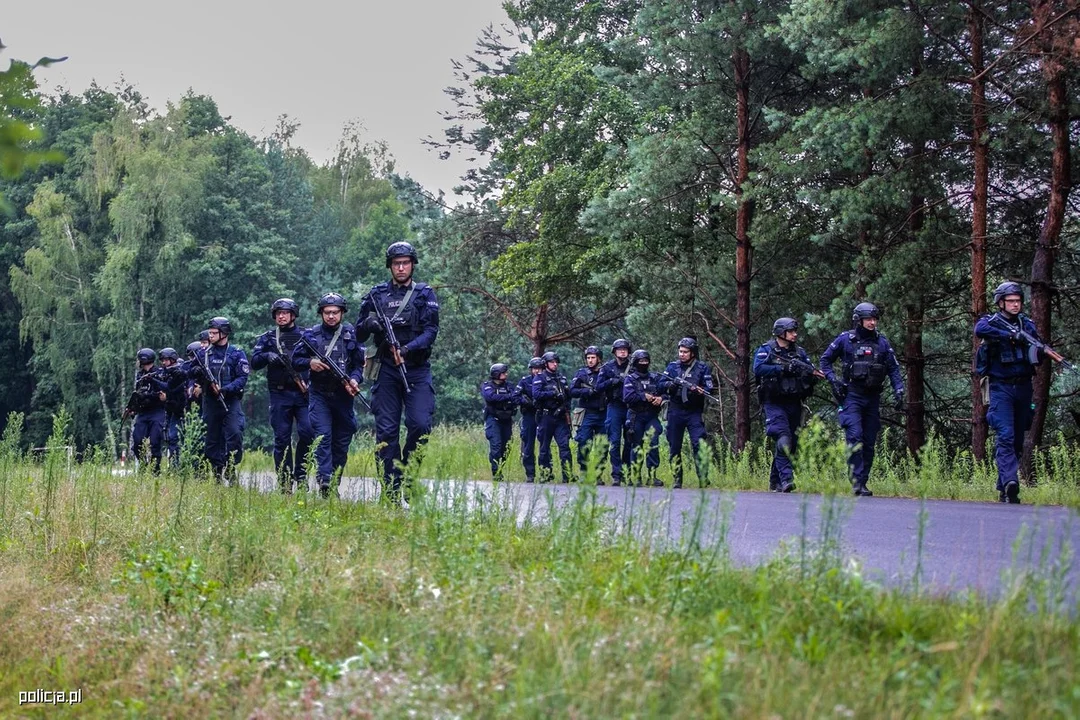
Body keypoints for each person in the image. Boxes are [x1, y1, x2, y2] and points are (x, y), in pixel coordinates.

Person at [355, 242, 440, 501]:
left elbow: (431, 332)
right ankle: (390, 487)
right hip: (386, 370)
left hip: (416, 368)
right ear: (390, 266)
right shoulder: (377, 294)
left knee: (420, 425)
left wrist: (406, 349)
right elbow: (358, 333)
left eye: (405, 263)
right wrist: (370, 323)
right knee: (387, 432)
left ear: (412, 264)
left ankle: (409, 473)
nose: (401, 267)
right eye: (396, 263)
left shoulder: (424, 293)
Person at [819, 302, 904, 496]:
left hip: (872, 398)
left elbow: (893, 368)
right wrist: (833, 381)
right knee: (854, 436)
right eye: (869, 319)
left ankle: (863, 481)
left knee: (869, 440)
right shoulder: (845, 340)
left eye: (874, 319)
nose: (872, 322)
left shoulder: (882, 343)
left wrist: (899, 389)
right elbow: (825, 361)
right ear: (859, 320)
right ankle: (856, 480)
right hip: (852, 396)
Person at [975, 282, 1046, 504]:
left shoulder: (1028, 325)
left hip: (1024, 386)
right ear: (1001, 303)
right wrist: (1011, 336)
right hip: (1000, 387)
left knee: (1016, 439)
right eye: (1011, 301)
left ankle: (1003, 485)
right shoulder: (991, 322)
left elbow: (1038, 347)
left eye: (1018, 301)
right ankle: (1010, 482)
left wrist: (1040, 349)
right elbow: (979, 330)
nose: (1015, 305)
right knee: (1004, 435)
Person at [292, 293, 365, 498]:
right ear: (321, 313)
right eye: (327, 312)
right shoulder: (311, 335)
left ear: (342, 313)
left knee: (342, 440)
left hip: (344, 396)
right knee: (323, 436)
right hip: (319, 394)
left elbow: (359, 364)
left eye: (335, 312)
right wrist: (310, 363)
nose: (331, 316)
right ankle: (324, 480)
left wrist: (355, 380)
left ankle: (334, 480)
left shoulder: (351, 334)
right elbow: (296, 359)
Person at [251, 298, 313, 493]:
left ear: (293, 315)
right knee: (281, 438)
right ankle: (285, 481)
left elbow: (318, 357)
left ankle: (301, 475)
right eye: (278, 313)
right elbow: (254, 362)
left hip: (303, 393)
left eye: (285, 312)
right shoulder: (268, 338)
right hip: (279, 394)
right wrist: (267, 356)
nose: (281, 316)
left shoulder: (306, 335)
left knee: (308, 432)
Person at [753, 319, 818, 493]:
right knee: (783, 438)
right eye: (791, 331)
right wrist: (782, 369)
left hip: (794, 402)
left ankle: (775, 482)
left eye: (795, 331)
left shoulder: (800, 352)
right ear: (781, 332)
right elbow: (758, 369)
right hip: (773, 402)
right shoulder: (766, 350)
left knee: (792, 443)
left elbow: (810, 369)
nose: (795, 334)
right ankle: (787, 479)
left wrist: (810, 377)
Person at [186, 318, 249, 482]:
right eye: (210, 332)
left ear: (224, 333)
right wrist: (198, 371)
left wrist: (225, 389)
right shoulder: (203, 354)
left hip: (230, 400)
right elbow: (189, 372)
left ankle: (230, 465)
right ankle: (216, 472)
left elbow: (242, 378)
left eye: (214, 333)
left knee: (235, 433)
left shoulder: (236, 353)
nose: (210, 336)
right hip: (211, 402)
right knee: (211, 439)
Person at [660, 337, 716, 488]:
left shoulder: (702, 368)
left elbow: (709, 388)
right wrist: (671, 385)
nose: (682, 354)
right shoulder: (672, 367)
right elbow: (660, 384)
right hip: (675, 410)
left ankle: (703, 478)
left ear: (692, 353)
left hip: (694, 412)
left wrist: (699, 390)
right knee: (674, 446)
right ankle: (677, 479)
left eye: (685, 352)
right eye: (680, 351)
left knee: (699, 443)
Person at [623, 349, 665, 487]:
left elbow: (665, 393)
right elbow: (627, 397)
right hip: (636, 416)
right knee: (636, 446)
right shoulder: (630, 378)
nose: (643, 363)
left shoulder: (655, 378)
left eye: (646, 361)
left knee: (653, 444)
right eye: (641, 361)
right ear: (635, 362)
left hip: (652, 415)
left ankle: (652, 476)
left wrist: (660, 399)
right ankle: (636, 477)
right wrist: (643, 396)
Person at [532, 351, 574, 483]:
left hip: (560, 417)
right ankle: (545, 474)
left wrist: (564, 407)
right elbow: (536, 394)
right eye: (552, 362)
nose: (555, 364)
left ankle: (567, 475)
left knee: (565, 446)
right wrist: (553, 394)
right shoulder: (540, 378)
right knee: (544, 447)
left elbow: (568, 397)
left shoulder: (561, 378)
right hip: (546, 416)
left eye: (556, 362)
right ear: (546, 363)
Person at [570, 346, 608, 483]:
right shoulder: (582, 373)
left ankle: (597, 475)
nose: (590, 360)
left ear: (599, 358)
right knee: (584, 442)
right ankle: (584, 472)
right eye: (588, 358)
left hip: (603, 413)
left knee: (602, 446)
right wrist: (586, 392)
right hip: (586, 412)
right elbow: (572, 391)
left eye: (593, 358)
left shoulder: (606, 372)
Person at [597, 339, 633, 486]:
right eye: (619, 349)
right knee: (615, 441)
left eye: (625, 349)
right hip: (614, 406)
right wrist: (613, 381)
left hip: (631, 407)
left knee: (630, 440)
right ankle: (616, 474)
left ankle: (627, 472)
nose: (622, 351)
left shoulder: (634, 367)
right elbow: (598, 387)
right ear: (615, 351)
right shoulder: (607, 368)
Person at [128, 348, 168, 473]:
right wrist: (132, 408)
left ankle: (155, 470)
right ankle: (143, 467)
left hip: (157, 411)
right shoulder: (139, 376)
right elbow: (137, 394)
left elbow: (162, 392)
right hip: (143, 412)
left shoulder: (159, 374)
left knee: (155, 442)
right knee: (137, 441)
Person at [481, 363, 516, 481]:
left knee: (507, 447)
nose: (506, 374)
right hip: (493, 419)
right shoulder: (487, 386)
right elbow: (490, 397)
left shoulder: (509, 386)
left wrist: (504, 396)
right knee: (496, 446)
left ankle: (501, 468)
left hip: (507, 420)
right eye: (503, 372)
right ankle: (496, 473)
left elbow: (515, 397)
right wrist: (507, 397)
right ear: (496, 374)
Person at [158, 347, 187, 468]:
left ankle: (178, 466)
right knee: (170, 438)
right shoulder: (163, 373)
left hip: (181, 410)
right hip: (169, 409)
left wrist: (168, 396)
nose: (163, 362)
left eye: (166, 359)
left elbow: (178, 391)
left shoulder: (180, 372)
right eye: (162, 360)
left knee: (176, 437)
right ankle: (174, 466)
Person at [516, 357, 544, 483]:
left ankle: (545, 473)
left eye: (539, 369)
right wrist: (525, 402)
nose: (536, 371)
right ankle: (530, 474)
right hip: (529, 415)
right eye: (534, 369)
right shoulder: (525, 381)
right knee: (528, 445)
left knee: (544, 445)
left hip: (544, 414)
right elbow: (515, 396)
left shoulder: (547, 380)